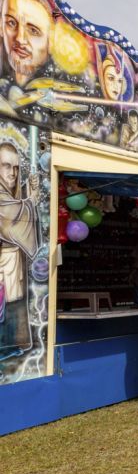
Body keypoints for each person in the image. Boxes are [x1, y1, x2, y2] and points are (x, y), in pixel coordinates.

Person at [0, 137, 39, 356]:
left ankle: (12, 345)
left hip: (12, 263)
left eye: (16, 167)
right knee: (6, 305)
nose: (12, 173)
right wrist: (31, 199)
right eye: (6, 166)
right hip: (5, 263)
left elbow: (15, 205)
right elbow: (11, 215)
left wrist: (27, 193)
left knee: (12, 304)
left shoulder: (9, 194)